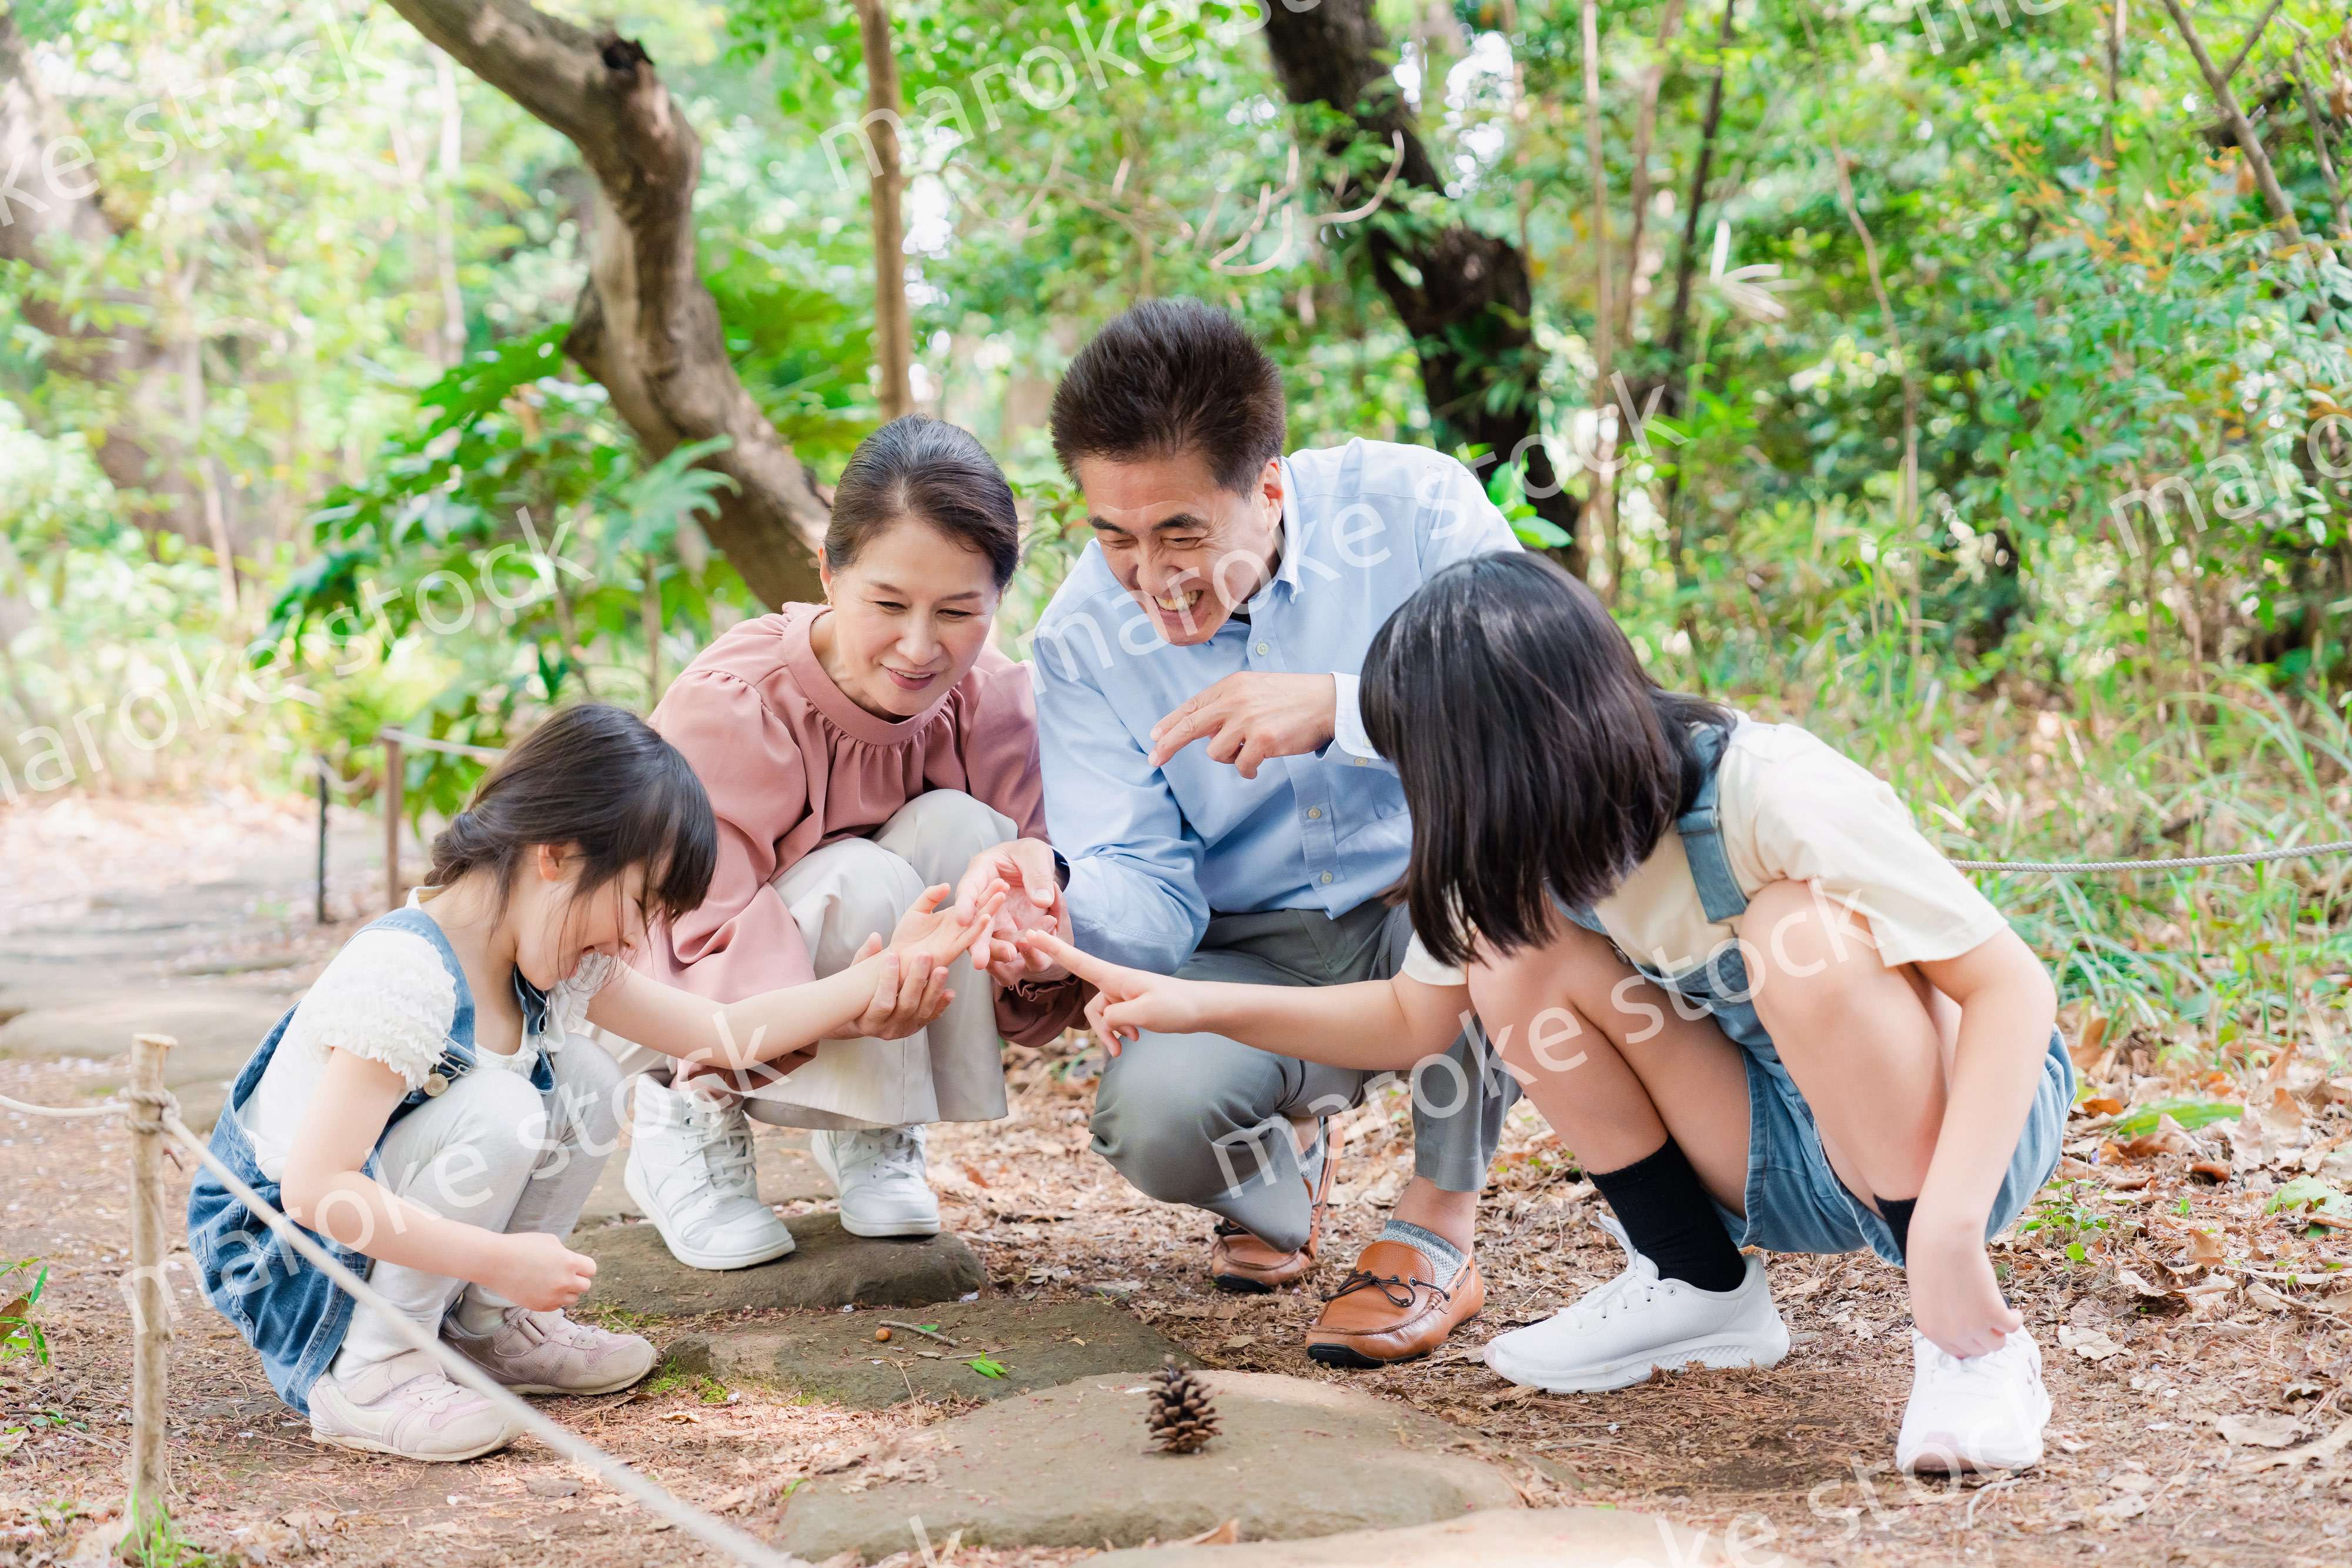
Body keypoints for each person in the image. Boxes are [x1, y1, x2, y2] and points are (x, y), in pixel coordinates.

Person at [1018, 551, 2071, 1473]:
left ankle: (1971, 1349)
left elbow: (2010, 989)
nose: (1427, 800)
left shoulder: (1767, 788)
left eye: (1433, 771)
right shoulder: (1515, 855)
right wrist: (1196, 1003)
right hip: (1785, 1149)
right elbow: (1405, 1024)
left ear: (1519, 757)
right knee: (1509, 957)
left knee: (1800, 938)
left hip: (1964, 1143)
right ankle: (1698, 1286)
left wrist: (1946, 1228)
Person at [187, 704, 998, 1462]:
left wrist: (879, 981)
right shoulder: (405, 974)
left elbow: (717, 1031)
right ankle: (370, 1377)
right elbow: (315, 1190)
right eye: (639, 902)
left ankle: (485, 1333)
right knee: (506, 1106)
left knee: (587, 1076)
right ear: (555, 855)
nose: (635, 936)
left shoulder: (544, 958)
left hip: (359, 1234)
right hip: (288, 1258)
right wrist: (495, 1256)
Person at [1018, 298, 1522, 1366]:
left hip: (1432, 902)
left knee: (1514, 872)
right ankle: (1284, 1148)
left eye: (1182, 533)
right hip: (1253, 948)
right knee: (1153, 1121)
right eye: (1113, 536)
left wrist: (1347, 708)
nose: (1151, 580)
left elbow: (1540, 709)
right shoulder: (1077, 642)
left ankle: (1439, 1220)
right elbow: (1145, 899)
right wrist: (1050, 895)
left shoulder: (1418, 509)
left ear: (1272, 487)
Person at [609, 416, 1084, 1269]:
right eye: (889, 604)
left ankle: (875, 1123)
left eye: (959, 612)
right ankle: (685, 1118)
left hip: (868, 963)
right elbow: (680, 926)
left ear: (1000, 600)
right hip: (686, 993)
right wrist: (851, 993)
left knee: (976, 834)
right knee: (863, 876)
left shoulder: (993, 699)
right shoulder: (736, 703)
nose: (919, 647)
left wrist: (1030, 936)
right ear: (829, 573)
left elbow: (1043, 866)